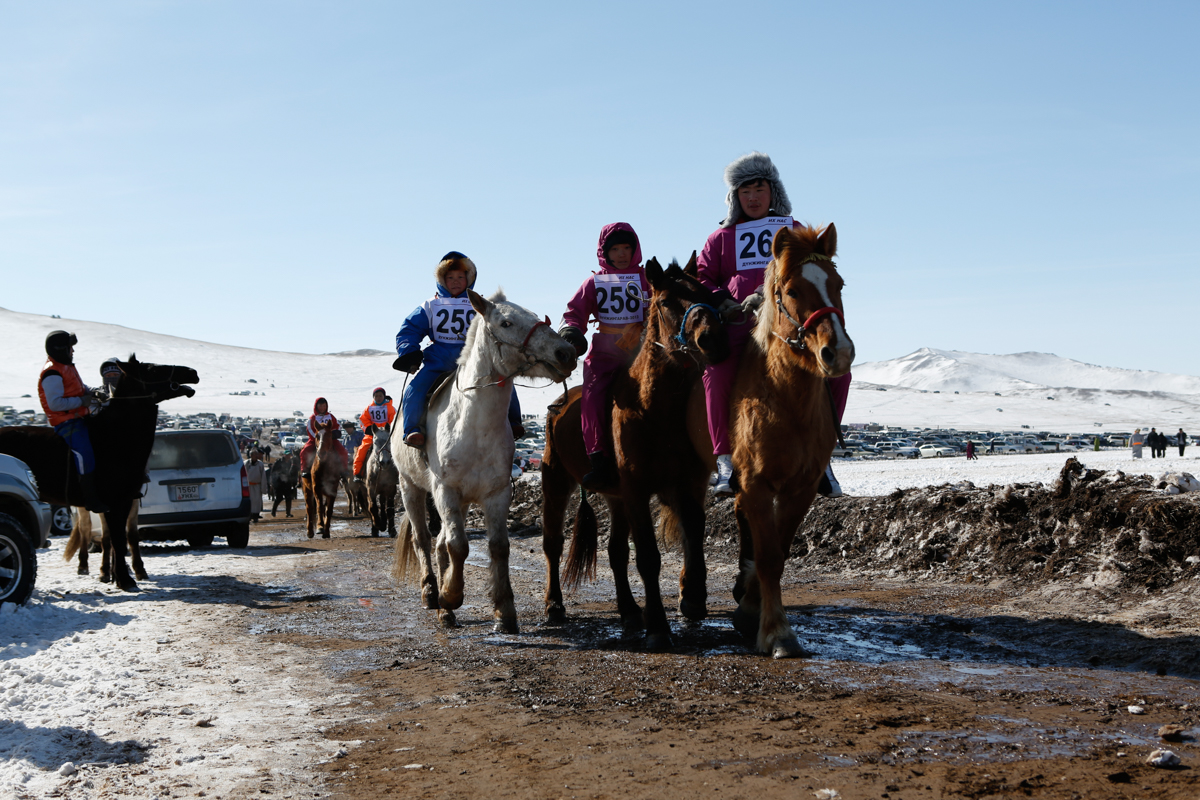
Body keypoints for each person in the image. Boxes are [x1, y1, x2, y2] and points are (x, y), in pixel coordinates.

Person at [696, 152, 852, 496]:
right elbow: (703, 276)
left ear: (773, 192)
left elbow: (814, 276)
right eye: (745, 192)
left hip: (789, 328)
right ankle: (724, 460)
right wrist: (725, 300)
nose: (752, 198)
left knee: (840, 374)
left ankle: (822, 456)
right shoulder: (720, 238)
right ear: (735, 198)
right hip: (739, 324)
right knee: (716, 373)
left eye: (759, 190)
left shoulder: (795, 230)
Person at [393, 251, 523, 448]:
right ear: (442, 280)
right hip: (439, 361)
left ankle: (513, 423)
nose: (455, 281)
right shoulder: (430, 305)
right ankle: (413, 430)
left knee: (505, 383)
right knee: (414, 389)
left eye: (460, 277)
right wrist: (409, 352)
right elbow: (409, 329)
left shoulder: (481, 304)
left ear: (469, 279)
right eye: (450, 277)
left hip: (476, 360)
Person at [558, 222, 650, 489]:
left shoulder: (647, 280)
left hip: (642, 353)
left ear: (635, 250)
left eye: (626, 248)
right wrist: (572, 332)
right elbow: (574, 313)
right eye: (615, 249)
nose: (622, 254)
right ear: (605, 253)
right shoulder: (594, 282)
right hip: (605, 354)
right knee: (593, 394)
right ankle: (597, 457)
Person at [37, 331, 108, 512]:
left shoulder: (66, 367)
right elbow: (55, 404)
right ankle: (90, 498)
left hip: (80, 417)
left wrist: (94, 392)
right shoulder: (52, 372)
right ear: (62, 349)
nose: (73, 351)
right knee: (84, 452)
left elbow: (79, 388)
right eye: (70, 347)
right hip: (67, 422)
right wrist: (82, 401)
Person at [298, 397, 349, 479]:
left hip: (330, 439)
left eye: (324, 406)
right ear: (316, 406)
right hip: (316, 440)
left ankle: (344, 469)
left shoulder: (330, 416)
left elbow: (338, 425)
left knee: (342, 451)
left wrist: (336, 432)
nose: (322, 408)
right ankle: (305, 470)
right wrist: (317, 437)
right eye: (320, 406)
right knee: (305, 451)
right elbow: (310, 429)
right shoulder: (312, 418)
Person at [353, 388, 396, 480]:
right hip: (372, 435)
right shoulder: (368, 408)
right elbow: (363, 420)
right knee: (362, 450)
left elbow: (394, 420)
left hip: (387, 435)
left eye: (380, 396)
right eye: (376, 396)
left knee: (397, 450)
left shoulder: (390, 408)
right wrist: (368, 429)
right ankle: (358, 473)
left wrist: (389, 429)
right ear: (373, 397)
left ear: (384, 396)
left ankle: (401, 474)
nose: (378, 398)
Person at [244, 448, 265, 522]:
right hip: (248, 486)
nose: (256, 456)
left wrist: (263, 488)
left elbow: (263, 477)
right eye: (254, 454)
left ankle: (256, 516)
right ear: (251, 455)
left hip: (257, 486)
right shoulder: (246, 463)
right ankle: (249, 515)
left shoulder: (260, 464)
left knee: (257, 501)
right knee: (250, 501)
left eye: (257, 454)